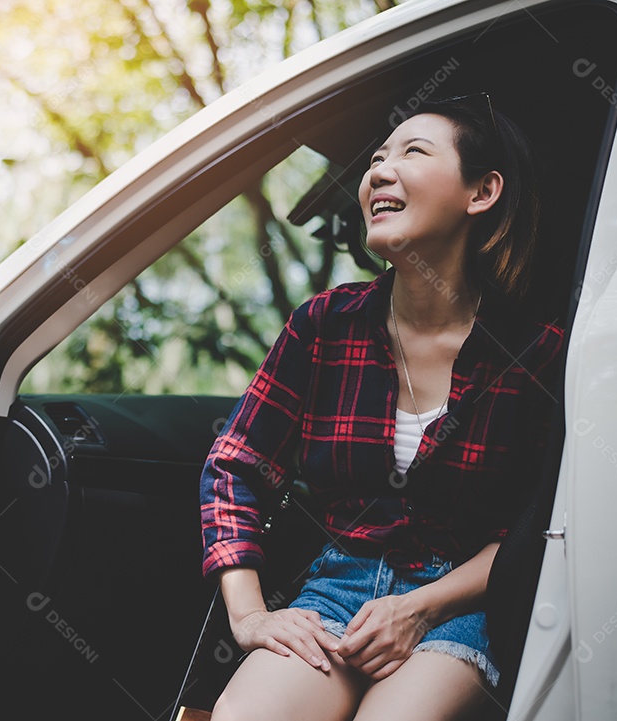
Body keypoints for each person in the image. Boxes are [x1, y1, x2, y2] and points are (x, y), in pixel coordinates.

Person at [199, 96, 564, 720]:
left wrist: (421, 607)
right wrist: (250, 614)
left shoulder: (537, 349)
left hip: (465, 604)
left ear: (482, 193)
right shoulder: (322, 326)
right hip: (338, 589)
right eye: (376, 159)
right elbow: (234, 470)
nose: (379, 172)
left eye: (412, 152)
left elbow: (542, 526)